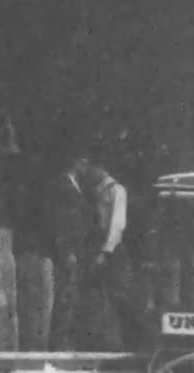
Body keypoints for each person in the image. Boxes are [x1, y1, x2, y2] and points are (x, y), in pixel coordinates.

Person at [47, 136, 131, 350]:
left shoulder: (116, 191)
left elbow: (116, 226)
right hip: (94, 248)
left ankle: (111, 342)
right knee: (90, 296)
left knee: (109, 297)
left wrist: (106, 252)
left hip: (109, 251)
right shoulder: (95, 192)